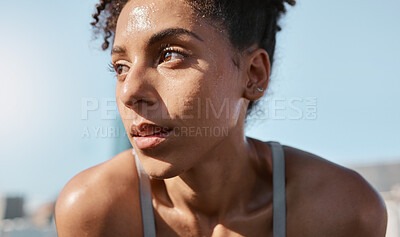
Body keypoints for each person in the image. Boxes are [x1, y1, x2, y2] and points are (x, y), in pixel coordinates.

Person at [55, 0, 388, 236]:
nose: (130, 92)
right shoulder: (95, 212)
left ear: (253, 74)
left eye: (171, 55)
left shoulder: (339, 212)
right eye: (121, 67)